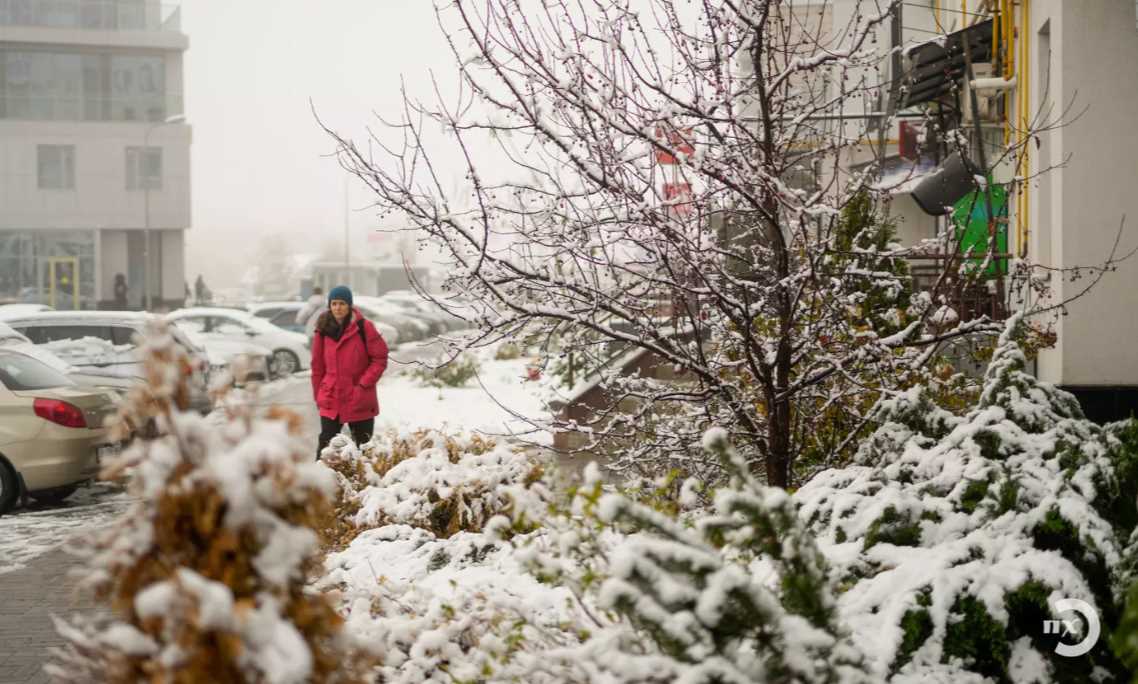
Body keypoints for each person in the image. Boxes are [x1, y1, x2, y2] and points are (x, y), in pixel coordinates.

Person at [311, 285, 389, 459]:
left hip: (359, 397)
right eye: (334, 303)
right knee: (326, 446)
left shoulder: (363, 327)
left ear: (349, 305)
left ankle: (362, 484)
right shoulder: (322, 330)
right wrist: (318, 396)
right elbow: (317, 367)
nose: (338, 307)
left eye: (342, 303)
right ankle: (321, 481)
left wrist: (363, 384)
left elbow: (380, 358)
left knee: (363, 447)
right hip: (331, 397)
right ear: (329, 306)